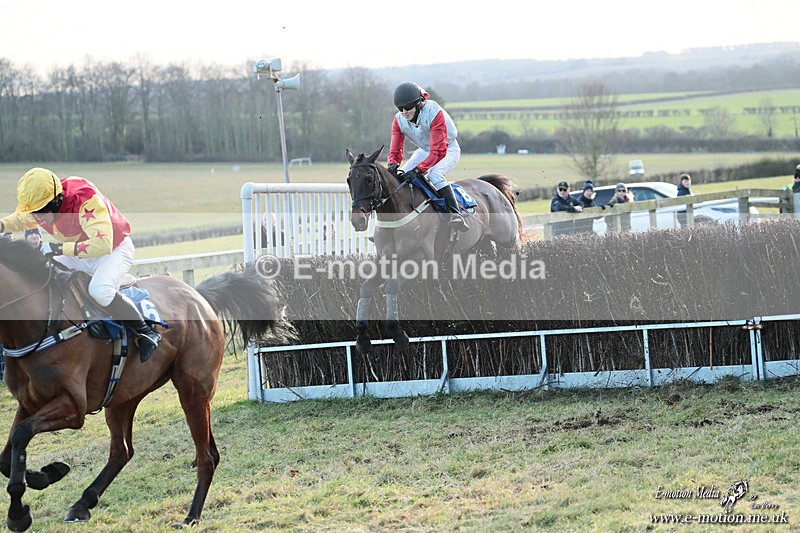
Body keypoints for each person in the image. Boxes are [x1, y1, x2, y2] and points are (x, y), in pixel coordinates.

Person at [0, 168, 161, 362]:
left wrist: (57, 248)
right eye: (33, 212)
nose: (36, 217)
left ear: (56, 200)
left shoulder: (84, 199)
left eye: (40, 211)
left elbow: (102, 244)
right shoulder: (42, 206)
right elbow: (20, 219)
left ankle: (146, 332)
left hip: (113, 250)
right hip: (79, 251)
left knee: (100, 290)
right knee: (48, 273)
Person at [387, 82, 467, 231]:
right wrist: (393, 164)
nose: (404, 112)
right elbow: (396, 147)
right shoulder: (398, 120)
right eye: (400, 108)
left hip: (447, 149)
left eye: (408, 107)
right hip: (424, 150)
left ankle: (455, 214)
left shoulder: (433, 112)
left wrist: (418, 170)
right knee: (400, 176)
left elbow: (438, 151)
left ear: (418, 104)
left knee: (434, 174)